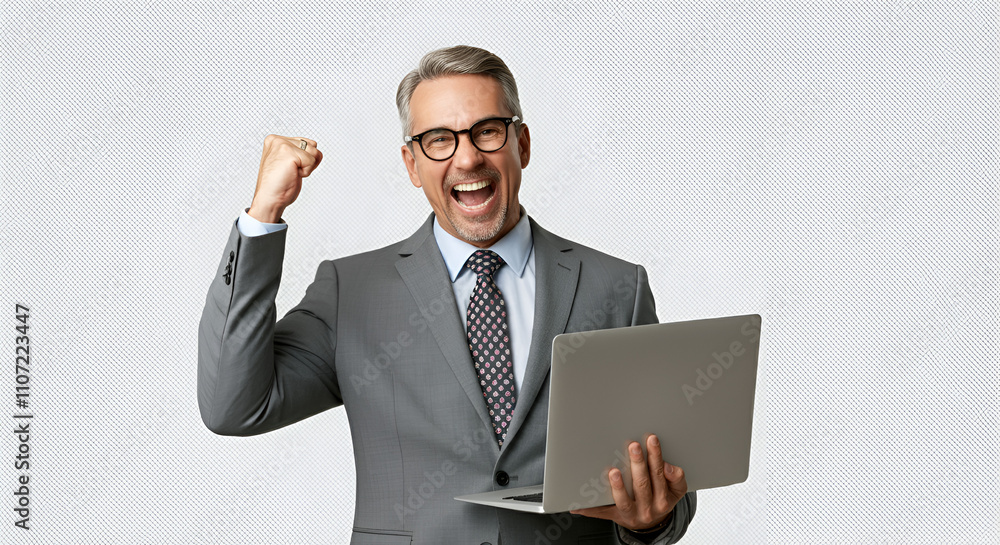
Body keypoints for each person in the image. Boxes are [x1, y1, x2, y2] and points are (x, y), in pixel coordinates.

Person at [198, 45, 696, 545]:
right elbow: (234, 405)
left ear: (521, 144)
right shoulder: (351, 292)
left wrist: (651, 520)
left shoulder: (615, 287)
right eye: (439, 139)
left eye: (487, 131)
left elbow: (666, 477)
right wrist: (263, 215)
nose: (467, 157)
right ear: (412, 165)